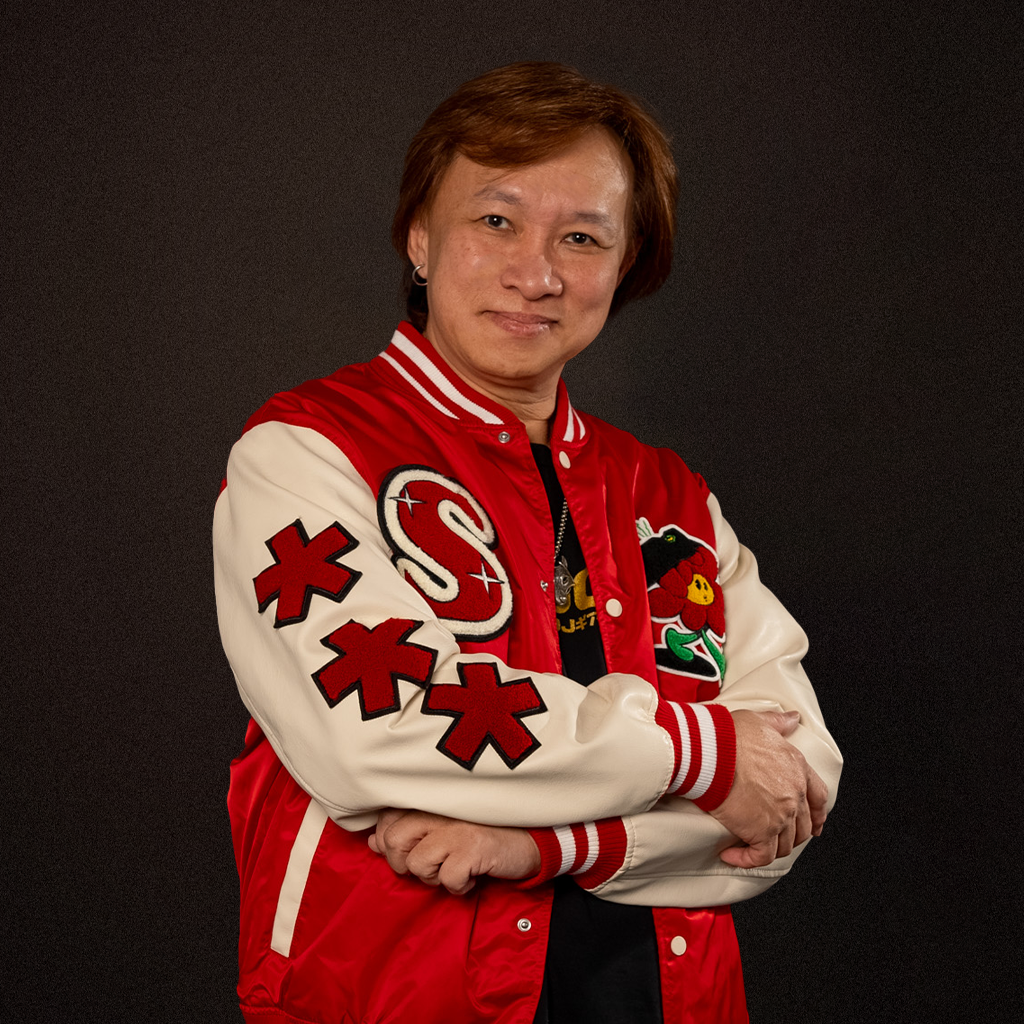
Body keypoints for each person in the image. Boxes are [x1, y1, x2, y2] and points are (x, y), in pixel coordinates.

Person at [214, 61, 842, 1024]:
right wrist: (704, 753)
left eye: (581, 237)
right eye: (496, 220)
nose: (537, 273)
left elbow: (793, 790)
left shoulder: (669, 497)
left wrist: (550, 846)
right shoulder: (305, 452)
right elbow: (380, 728)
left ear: (624, 266)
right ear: (420, 237)